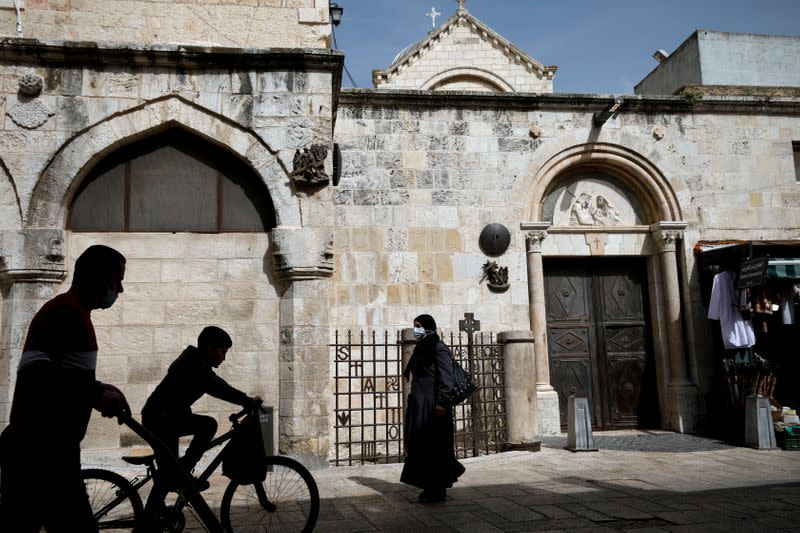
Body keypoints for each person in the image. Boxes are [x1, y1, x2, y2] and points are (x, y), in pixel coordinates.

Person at [0, 244, 130, 532]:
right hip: (41, 454)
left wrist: (97, 387)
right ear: (97, 277)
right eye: (116, 280)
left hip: (49, 451)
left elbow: (62, 375)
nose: (119, 289)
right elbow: (36, 375)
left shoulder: (75, 313)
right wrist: (96, 394)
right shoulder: (64, 312)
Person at [141, 326, 261, 491]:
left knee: (168, 474)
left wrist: (245, 400)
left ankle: (159, 506)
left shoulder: (195, 361)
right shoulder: (195, 366)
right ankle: (183, 469)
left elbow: (216, 385)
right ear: (211, 349)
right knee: (208, 425)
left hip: (162, 417)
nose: (224, 358)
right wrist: (247, 401)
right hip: (160, 420)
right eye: (223, 352)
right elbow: (220, 388)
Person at [400, 314, 465, 503]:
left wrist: (442, 403)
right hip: (420, 406)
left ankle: (437, 489)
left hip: (435, 407)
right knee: (421, 447)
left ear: (428, 326)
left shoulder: (439, 348)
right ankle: (430, 486)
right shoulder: (421, 349)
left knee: (435, 448)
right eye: (414, 326)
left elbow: (446, 379)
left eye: (418, 326)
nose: (416, 330)